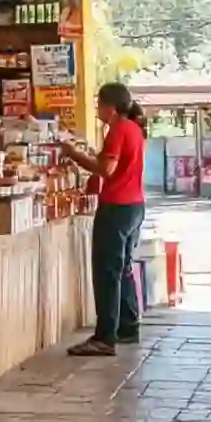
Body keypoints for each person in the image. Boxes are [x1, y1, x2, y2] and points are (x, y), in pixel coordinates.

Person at [59, 83, 147, 356]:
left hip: (116, 207)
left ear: (110, 107)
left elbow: (106, 169)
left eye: (98, 103)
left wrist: (73, 154)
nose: (96, 108)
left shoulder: (118, 130)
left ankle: (105, 337)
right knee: (123, 268)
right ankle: (128, 327)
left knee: (106, 271)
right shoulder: (134, 129)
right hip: (135, 205)